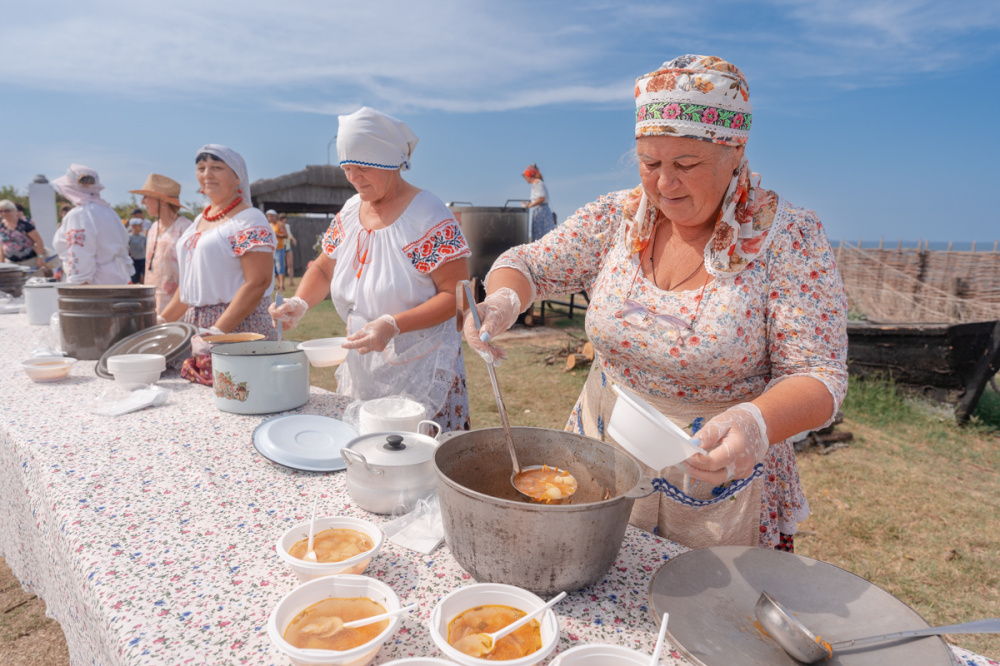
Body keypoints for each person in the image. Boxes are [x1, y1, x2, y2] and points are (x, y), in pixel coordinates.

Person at [464, 55, 848, 551]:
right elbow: (530, 264)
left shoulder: (788, 239)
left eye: (686, 165)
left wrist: (756, 423)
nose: (664, 184)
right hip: (602, 457)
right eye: (650, 164)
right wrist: (503, 299)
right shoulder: (619, 218)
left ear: (736, 151)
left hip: (716, 483)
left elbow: (818, 374)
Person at [270, 107, 472, 432]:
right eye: (347, 168)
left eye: (363, 167)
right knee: (368, 449)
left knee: (418, 458)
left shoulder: (426, 216)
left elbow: (456, 295)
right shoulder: (351, 212)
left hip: (419, 360)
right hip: (365, 361)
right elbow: (324, 268)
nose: (353, 178)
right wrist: (300, 301)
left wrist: (393, 324)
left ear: (390, 161)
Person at [160, 145, 277, 339]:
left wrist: (217, 332)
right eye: (201, 168)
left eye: (216, 167)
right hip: (198, 326)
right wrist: (162, 321)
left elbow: (258, 282)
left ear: (237, 177)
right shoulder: (198, 222)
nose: (207, 174)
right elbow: (191, 287)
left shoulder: (249, 220)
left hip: (239, 326)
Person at [51, 164, 134, 285]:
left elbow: (80, 254)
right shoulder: (108, 211)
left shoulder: (79, 214)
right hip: (118, 278)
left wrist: (79, 284)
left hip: (95, 285)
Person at [129, 173, 193, 313]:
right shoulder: (153, 228)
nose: (143, 202)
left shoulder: (186, 229)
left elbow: (192, 276)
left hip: (178, 310)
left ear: (162, 200)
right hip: (153, 307)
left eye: (146, 197)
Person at [0, 199, 47, 270]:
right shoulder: (1, 227)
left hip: (29, 261)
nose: (4, 213)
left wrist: (40, 257)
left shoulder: (25, 225)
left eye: (7, 210)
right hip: (10, 262)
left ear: (14, 210)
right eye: (1, 211)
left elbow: (38, 240)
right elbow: (2, 245)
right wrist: (2, 262)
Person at [521, 164, 556, 241]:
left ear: (529, 175)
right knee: (541, 236)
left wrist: (529, 205)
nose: (525, 178)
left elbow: (541, 198)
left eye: (525, 176)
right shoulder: (537, 183)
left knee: (541, 236)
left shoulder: (537, 182)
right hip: (541, 211)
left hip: (541, 212)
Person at [267, 209, 288, 291]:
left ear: (275, 216)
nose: (270, 218)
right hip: (272, 249)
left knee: (280, 267)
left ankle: (282, 285)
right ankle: (278, 284)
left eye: (272, 216)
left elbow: (285, 235)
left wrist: (276, 234)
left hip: (279, 248)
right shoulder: (268, 225)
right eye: (269, 216)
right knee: (274, 268)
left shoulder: (280, 225)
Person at [280, 213, 297, 288]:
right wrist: (292, 238)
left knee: (290, 264)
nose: (285, 220)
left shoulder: (287, 226)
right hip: (280, 247)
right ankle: (281, 283)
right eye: (283, 218)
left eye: (285, 218)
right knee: (282, 266)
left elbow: (289, 234)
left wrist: (292, 239)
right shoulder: (278, 226)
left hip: (288, 247)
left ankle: (291, 281)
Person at [127, 219, 147, 283]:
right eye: (139, 225)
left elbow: (145, 248)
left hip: (142, 260)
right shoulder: (129, 237)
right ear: (133, 226)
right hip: (133, 261)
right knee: (134, 280)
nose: (141, 227)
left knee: (143, 278)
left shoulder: (143, 237)